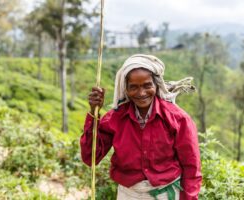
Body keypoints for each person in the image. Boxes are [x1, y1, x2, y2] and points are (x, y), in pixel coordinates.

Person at [80, 54, 202, 200]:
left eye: (147, 85)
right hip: (128, 194)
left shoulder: (178, 119)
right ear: (126, 89)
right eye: (134, 87)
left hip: (165, 194)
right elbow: (90, 158)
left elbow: (192, 167)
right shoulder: (115, 119)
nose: (141, 93)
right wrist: (94, 112)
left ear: (156, 85)